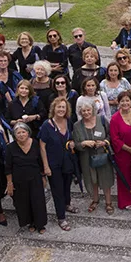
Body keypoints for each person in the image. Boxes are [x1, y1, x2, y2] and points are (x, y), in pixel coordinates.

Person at [39, 98, 78, 231]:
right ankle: (61, 217)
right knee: (57, 190)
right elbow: (42, 147)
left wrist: (72, 142)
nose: (61, 110)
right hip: (53, 163)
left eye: (63, 107)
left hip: (67, 160)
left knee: (67, 185)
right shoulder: (46, 125)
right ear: (53, 109)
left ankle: (67, 204)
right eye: (59, 107)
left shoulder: (68, 122)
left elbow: (71, 137)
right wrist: (46, 166)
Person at [73, 99, 114, 215]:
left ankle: (108, 202)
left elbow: (110, 135)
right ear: (80, 112)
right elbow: (75, 143)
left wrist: (105, 142)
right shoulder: (77, 125)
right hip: (86, 157)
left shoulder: (102, 120)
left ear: (93, 110)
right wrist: (83, 143)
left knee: (105, 178)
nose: (86, 113)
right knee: (92, 179)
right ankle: (95, 200)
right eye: (83, 111)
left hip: (102, 154)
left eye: (88, 110)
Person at [5, 123, 48, 233]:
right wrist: (10, 183)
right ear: (14, 135)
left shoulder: (34, 143)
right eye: (18, 133)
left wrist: (43, 176)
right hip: (19, 179)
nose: (21, 134)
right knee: (24, 202)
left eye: (23, 132)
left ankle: (40, 224)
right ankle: (31, 222)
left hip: (35, 177)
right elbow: (8, 167)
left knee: (38, 201)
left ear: (28, 132)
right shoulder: (10, 147)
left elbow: (39, 161)